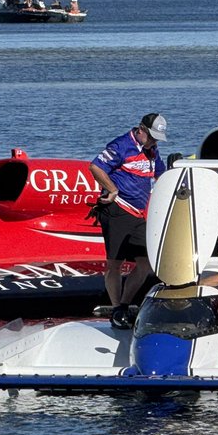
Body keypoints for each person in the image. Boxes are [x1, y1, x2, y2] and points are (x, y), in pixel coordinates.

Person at [89, 113, 168, 309]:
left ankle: (125, 303)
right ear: (141, 130)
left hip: (139, 214)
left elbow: (161, 175)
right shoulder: (120, 145)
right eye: (151, 137)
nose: (153, 142)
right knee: (115, 264)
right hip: (117, 210)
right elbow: (95, 167)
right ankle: (116, 307)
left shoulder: (152, 149)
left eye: (157, 139)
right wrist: (113, 189)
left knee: (146, 263)